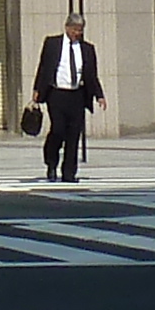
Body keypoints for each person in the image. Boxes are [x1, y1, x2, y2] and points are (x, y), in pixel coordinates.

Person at [31, 17, 102, 185]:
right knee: (58, 130)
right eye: (75, 29)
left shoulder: (87, 49)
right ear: (67, 27)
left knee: (73, 134)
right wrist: (37, 90)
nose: (77, 33)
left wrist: (99, 95)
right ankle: (51, 162)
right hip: (56, 94)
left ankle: (69, 172)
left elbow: (92, 75)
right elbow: (44, 67)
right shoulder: (52, 44)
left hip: (77, 95)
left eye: (80, 30)